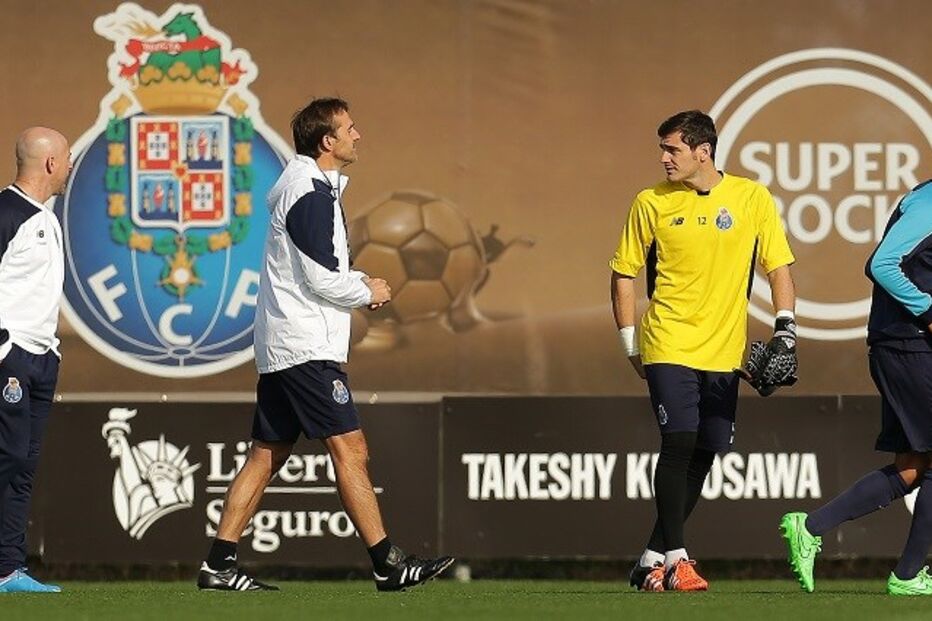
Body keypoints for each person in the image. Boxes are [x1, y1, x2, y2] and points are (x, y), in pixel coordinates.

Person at [197, 98, 454, 592]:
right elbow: (320, 278)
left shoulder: (306, 187)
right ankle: (387, 562)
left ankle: (218, 565)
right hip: (306, 347)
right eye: (349, 129)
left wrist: (355, 282)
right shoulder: (310, 192)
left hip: (287, 343)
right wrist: (367, 290)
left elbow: (314, 271)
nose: (358, 135)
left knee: (266, 456)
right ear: (327, 141)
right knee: (350, 448)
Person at [610, 110, 797, 592]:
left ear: (703, 151)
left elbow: (778, 267)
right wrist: (631, 344)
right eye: (662, 149)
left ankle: (650, 558)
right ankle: (677, 560)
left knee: (706, 450)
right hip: (668, 341)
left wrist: (786, 329)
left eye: (672, 149)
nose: (663, 158)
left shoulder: (752, 197)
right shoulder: (650, 201)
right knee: (677, 444)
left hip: (725, 351)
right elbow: (623, 273)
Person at [781, 179, 932, 596]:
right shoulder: (929, 203)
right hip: (907, 345)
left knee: (911, 467)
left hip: (905, 345)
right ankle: (907, 575)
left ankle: (810, 528)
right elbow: (882, 263)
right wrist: (928, 311)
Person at [0, 128, 71, 593]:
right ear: (50, 163)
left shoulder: (47, 217)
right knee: (6, 455)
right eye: (67, 157)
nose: (70, 166)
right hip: (11, 356)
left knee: (22, 466)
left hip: (43, 358)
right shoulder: (7, 213)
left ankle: (7, 569)